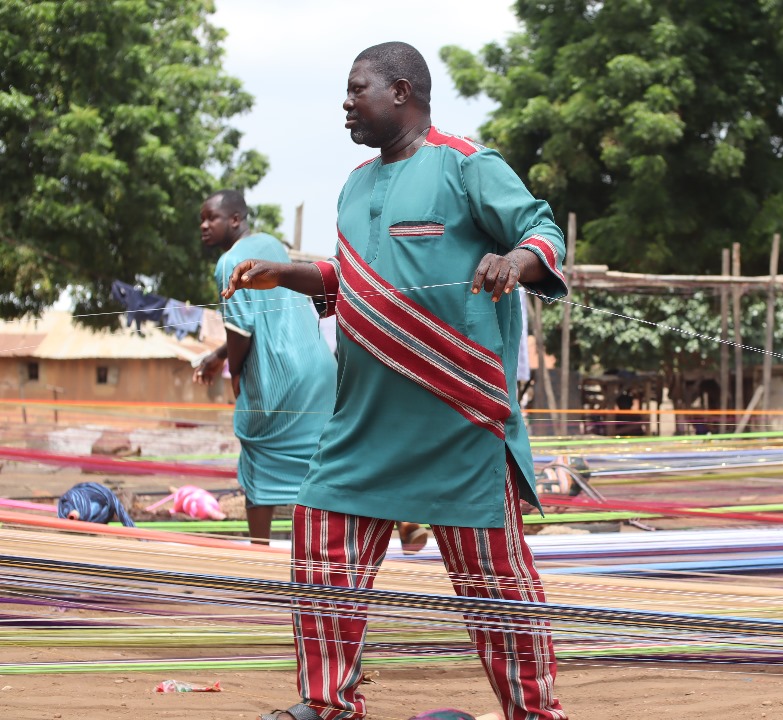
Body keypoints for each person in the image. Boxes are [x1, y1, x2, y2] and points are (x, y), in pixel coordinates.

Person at [225, 42, 569, 720]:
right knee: (320, 548)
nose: (347, 104)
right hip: (362, 424)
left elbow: (544, 233)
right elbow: (352, 281)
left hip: (459, 422)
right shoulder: (353, 185)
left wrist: (516, 261)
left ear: (403, 92)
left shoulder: (468, 167)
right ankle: (326, 703)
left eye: (359, 90)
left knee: (495, 585)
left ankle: (533, 713)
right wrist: (286, 273)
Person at [191, 191, 339, 542]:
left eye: (211, 217)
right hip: (320, 367)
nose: (204, 226)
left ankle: (258, 554)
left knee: (257, 452)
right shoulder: (272, 246)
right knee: (328, 458)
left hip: (278, 377)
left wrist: (236, 371)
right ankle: (395, 525)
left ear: (236, 219)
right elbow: (268, 320)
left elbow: (242, 330)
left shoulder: (229, 264)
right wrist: (217, 356)